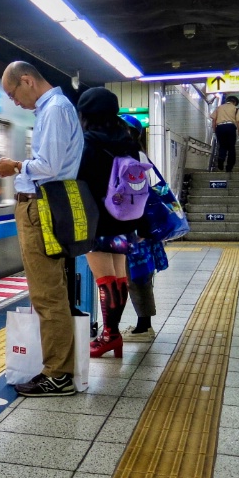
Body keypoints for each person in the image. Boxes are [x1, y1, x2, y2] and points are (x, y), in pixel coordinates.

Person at [0, 61, 84, 397]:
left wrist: (15, 165)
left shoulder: (55, 109)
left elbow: (49, 166)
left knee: (47, 293)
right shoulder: (55, 109)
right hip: (40, 203)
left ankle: (58, 374)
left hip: (40, 206)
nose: (15, 102)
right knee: (47, 292)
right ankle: (57, 369)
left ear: (27, 80)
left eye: (14, 94)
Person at [76, 89, 146, 358]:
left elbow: (80, 177)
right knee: (119, 278)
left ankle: (110, 336)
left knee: (105, 280)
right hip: (125, 218)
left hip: (99, 219)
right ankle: (112, 335)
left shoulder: (89, 141)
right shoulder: (128, 139)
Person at [119, 115, 157, 341]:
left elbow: (138, 195)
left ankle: (144, 327)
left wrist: (140, 230)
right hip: (139, 225)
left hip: (137, 227)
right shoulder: (137, 155)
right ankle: (143, 325)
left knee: (137, 276)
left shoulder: (133, 157)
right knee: (139, 275)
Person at [210, 95, 239, 173]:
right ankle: (229, 168)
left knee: (222, 146)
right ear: (234, 102)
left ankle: (221, 159)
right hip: (230, 127)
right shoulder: (236, 109)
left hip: (220, 128)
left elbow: (213, 120)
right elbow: (238, 122)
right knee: (231, 148)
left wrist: (214, 132)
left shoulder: (219, 108)